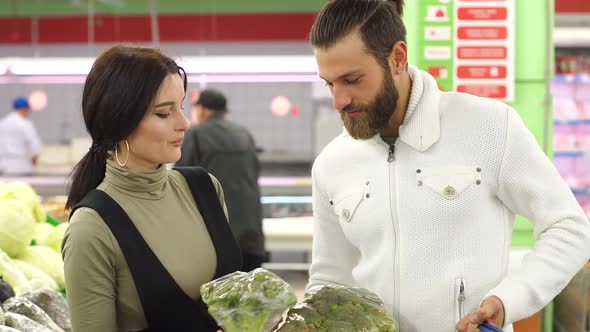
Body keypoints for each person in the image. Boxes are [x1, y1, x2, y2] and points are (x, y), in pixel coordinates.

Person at [306, 1, 590, 332]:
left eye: (352, 80)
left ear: (397, 58)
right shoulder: (331, 164)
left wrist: (508, 300)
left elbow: (569, 227)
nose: (339, 100)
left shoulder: (489, 127)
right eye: (329, 83)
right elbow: (328, 281)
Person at [62, 45, 242, 332]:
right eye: (163, 113)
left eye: (181, 107)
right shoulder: (92, 228)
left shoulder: (206, 189)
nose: (183, 124)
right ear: (120, 121)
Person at [176, 89, 266, 272]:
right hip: (251, 236)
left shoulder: (197, 134)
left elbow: (179, 180)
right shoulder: (244, 134)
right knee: (246, 295)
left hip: (216, 238)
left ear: (202, 110)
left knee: (217, 297)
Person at [0, 97, 42, 175]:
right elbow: (35, 144)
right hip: (20, 165)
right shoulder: (25, 123)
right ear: (24, 109)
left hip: (2, 165)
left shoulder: (2, 123)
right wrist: (35, 158)